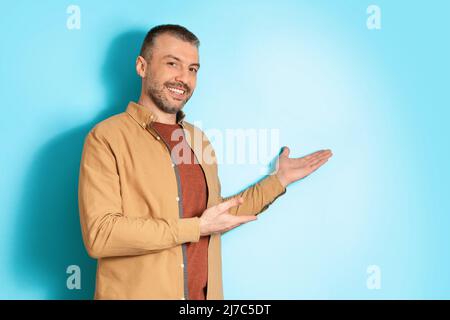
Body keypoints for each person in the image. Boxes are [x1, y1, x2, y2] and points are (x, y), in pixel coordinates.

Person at [78, 24, 333, 300]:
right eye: (172, 64)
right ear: (142, 66)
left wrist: (279, 180)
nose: (183, 78)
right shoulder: (106, 137)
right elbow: (101, 235)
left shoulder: (198, 140)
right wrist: (194, 228)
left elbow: (215, 216)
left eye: (193, 69)